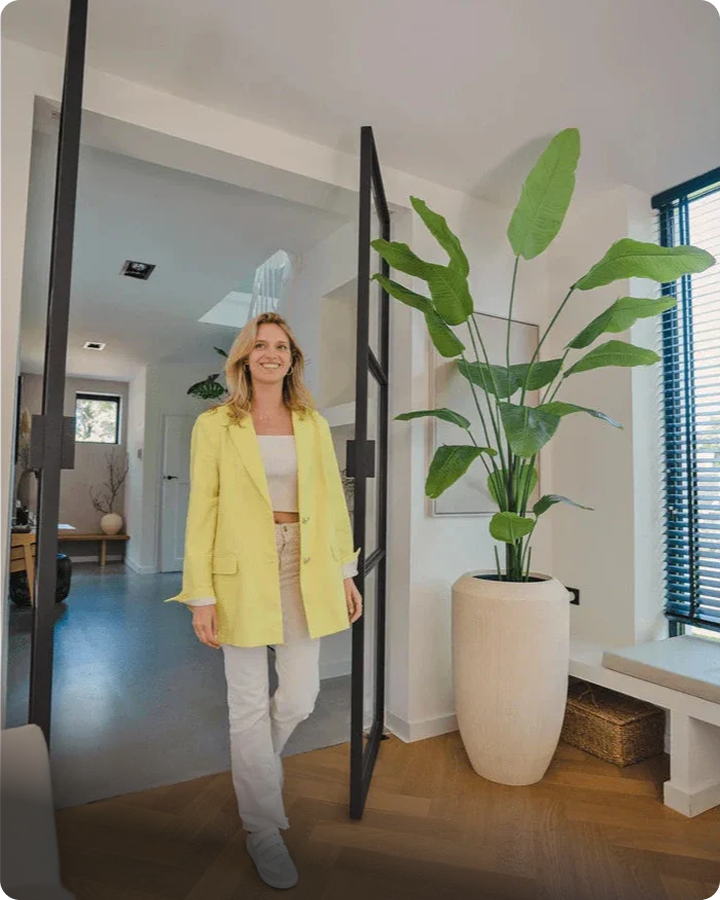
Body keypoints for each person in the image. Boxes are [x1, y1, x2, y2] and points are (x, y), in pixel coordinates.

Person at [164, 312, 363, 890]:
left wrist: (345, 573)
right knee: (246, 702)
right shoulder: (216, 424)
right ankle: (262, 826)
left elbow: (332, 503)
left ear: (292, 358)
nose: (271, 353)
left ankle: (260, 767)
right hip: (239, 569)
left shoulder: (312, 423)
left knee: (300, 694)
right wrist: (201, 596)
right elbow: (202, 509)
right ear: (244, 358)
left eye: (281, 346)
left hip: (306, 560)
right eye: (260, 345)